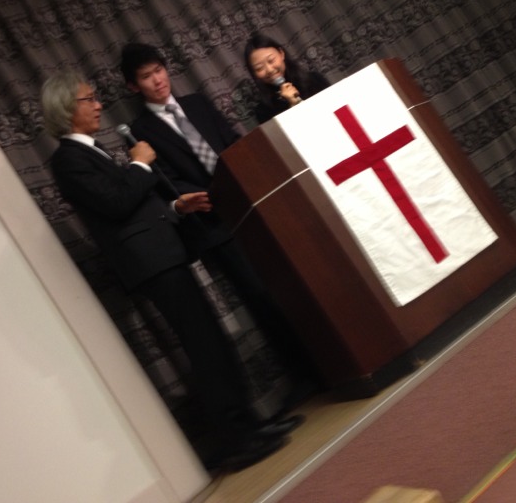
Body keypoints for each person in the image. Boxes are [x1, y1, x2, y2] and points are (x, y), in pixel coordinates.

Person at [41, 69, 301, 473]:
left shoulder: (91, 150)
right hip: (152, 265)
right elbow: (115, 204)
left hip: (165, 255)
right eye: (89, 99)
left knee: (212, 341)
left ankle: (250, 425)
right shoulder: (67, 160)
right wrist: (139, 165)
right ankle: (237, 439)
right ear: (65, 109)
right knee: (204, 346)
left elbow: (132, 209)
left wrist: (175, 207)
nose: (98, 105)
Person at [120, 43, 320, 408]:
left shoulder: (196, 103)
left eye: (159, 70)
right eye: (147, 76)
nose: (158, 80)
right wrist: (184, 201)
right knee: (258, 297)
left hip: (251, 204)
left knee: (292, 281)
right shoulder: (139, 131)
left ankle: (329, 353)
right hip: (213, 224)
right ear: (134, 86)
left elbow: (231, 141)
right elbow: (165, 183)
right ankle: (304, 373)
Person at [244, 33, 331, 123]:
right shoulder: (263, 110)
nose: (269, 70)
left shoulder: (314, 79)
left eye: (271, 60)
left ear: (281, 53)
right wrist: (292, 104)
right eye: (259, 68)